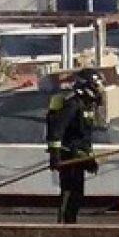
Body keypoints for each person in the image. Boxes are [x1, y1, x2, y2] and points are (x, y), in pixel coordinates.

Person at [45, 68, 105, 224]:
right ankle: (63, 226)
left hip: (78, 158)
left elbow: (85, 138)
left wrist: (90, 159)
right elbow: (57, 130)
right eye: (96, 85)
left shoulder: (87, 107)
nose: (99, 89)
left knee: (78, 195)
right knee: (68, 193)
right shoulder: (72, 105)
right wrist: (55, 155)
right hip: (68, 157)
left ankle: (71, 224)